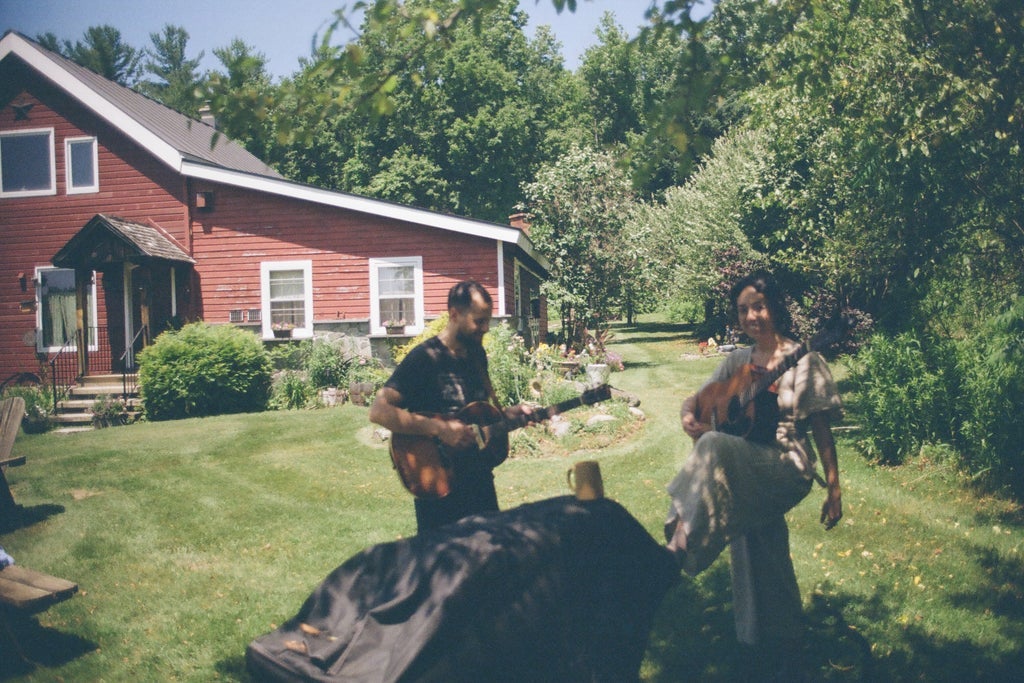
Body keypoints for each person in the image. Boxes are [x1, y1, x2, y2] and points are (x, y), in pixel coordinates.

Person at [664, 271, 843, 679]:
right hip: (747, 462)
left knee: (714, 445)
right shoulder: (738, 361)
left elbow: (821, 430)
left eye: (758, 307)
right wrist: (688, 414)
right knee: (756, 545)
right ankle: (770, 644)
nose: (751, 316)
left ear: (774, 306)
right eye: (743, 309)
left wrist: (834, 489)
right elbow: (699, 397)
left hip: (787, 464)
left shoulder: (804, 359)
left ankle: (677, 544)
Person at [369, 280, 532, 533]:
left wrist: (507, 415)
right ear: (454, 315)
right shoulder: (424, 358)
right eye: (479, 321)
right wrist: (439, 429)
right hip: (440, 490)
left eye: (488, 321)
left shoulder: (477, 355)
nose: (486, 328)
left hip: (480, 485)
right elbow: (379, 411)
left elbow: (475, 415)